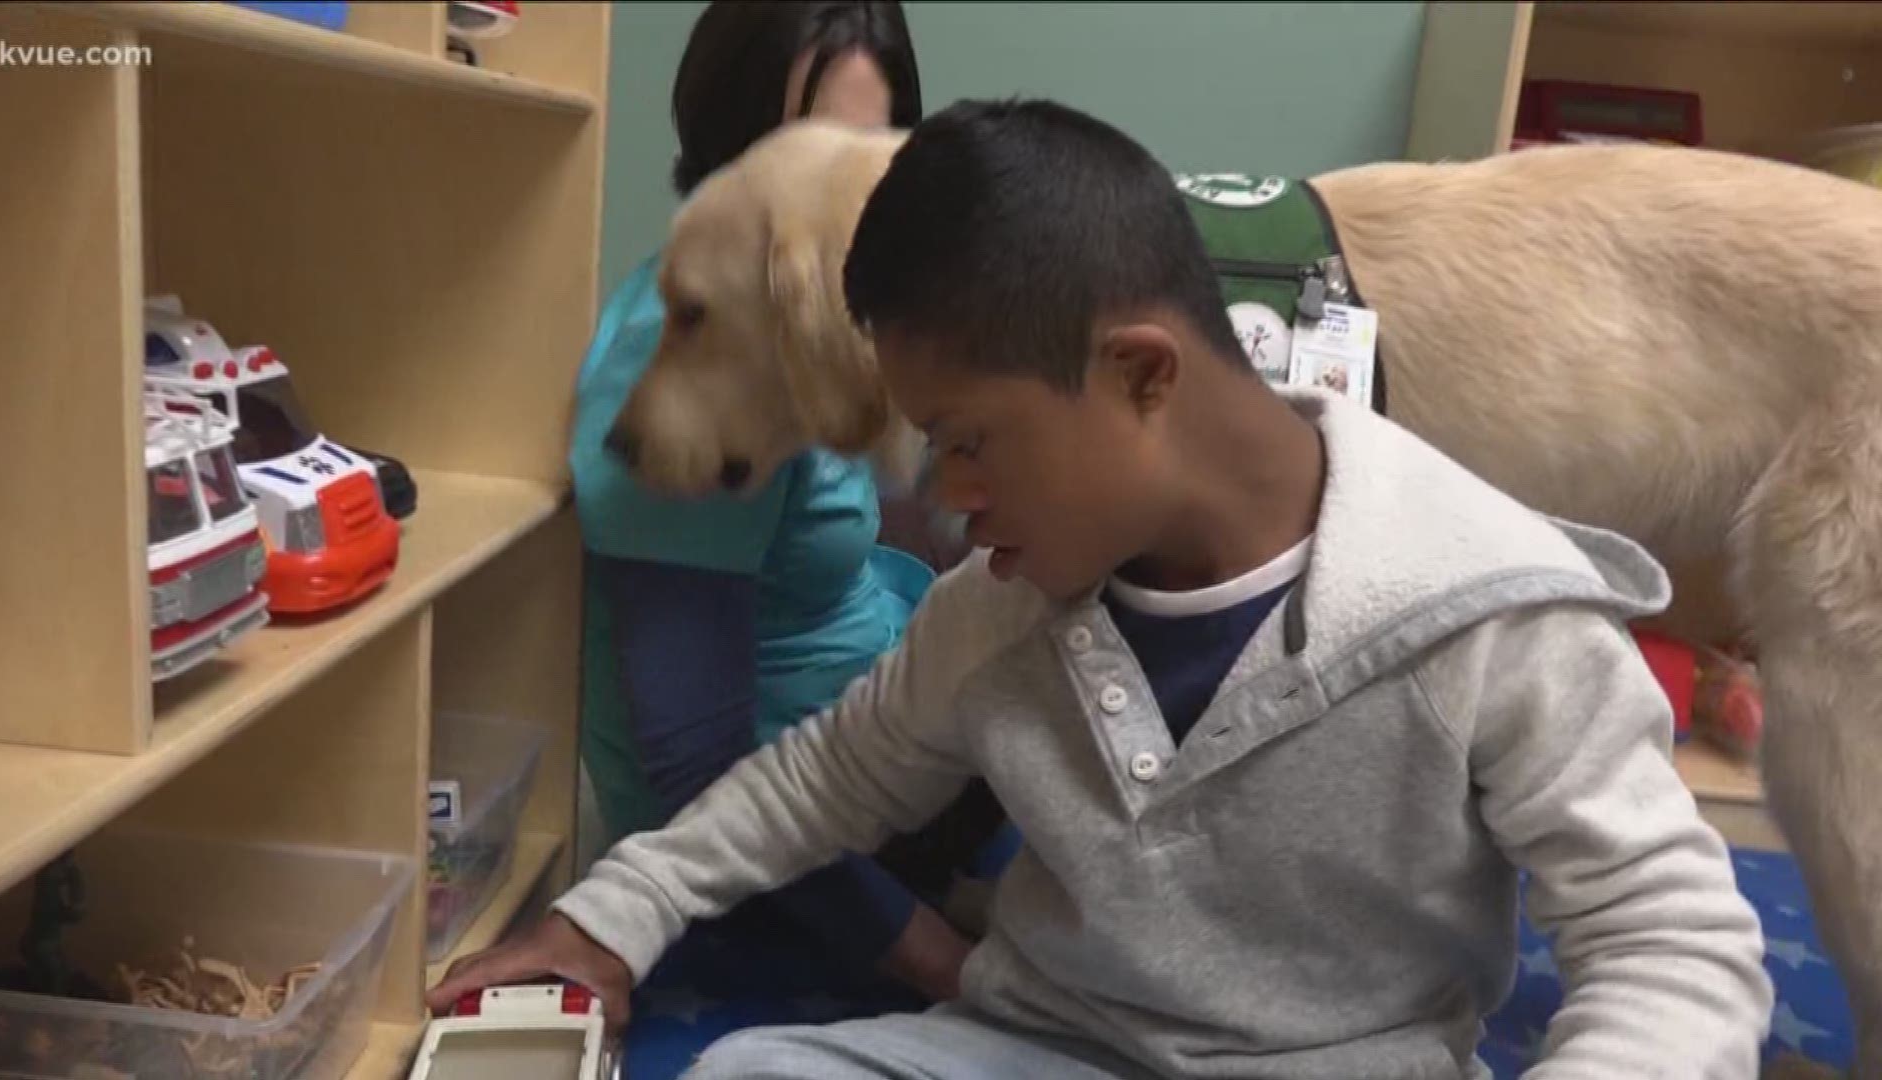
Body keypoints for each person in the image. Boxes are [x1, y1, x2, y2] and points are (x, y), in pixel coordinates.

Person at [433, 98, 1774, 1077]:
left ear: (1143, 374)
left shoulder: (1496, 610)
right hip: (1043, 1046)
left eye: (968, 440)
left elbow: (1673, 945)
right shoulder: (997, 608)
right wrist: (613, 921)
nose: (947, 493)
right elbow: (820, 783)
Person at [565, 1, 998, 1009]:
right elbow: (694, 771)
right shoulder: (678, 371)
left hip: (896, 752)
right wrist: (955, 971)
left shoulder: (841, 323)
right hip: (785, 838)